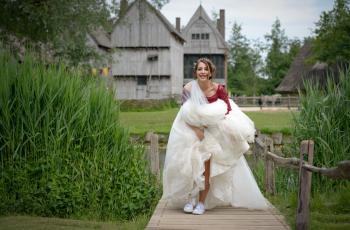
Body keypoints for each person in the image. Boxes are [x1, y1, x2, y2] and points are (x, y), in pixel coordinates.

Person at [162, 58, 269, 215]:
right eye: (200, 69)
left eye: (206, 69)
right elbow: (184, 113)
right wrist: (197, 129)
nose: (203, 72)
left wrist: (210, 122)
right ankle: (189, 200)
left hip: (213, 133)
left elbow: (227, 109)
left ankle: (201, 202)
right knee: (190, 166)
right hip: (190, 132)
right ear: (195, 72)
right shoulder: (189, 88)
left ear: (211, 72)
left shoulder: (219, 89)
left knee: (206, 169)